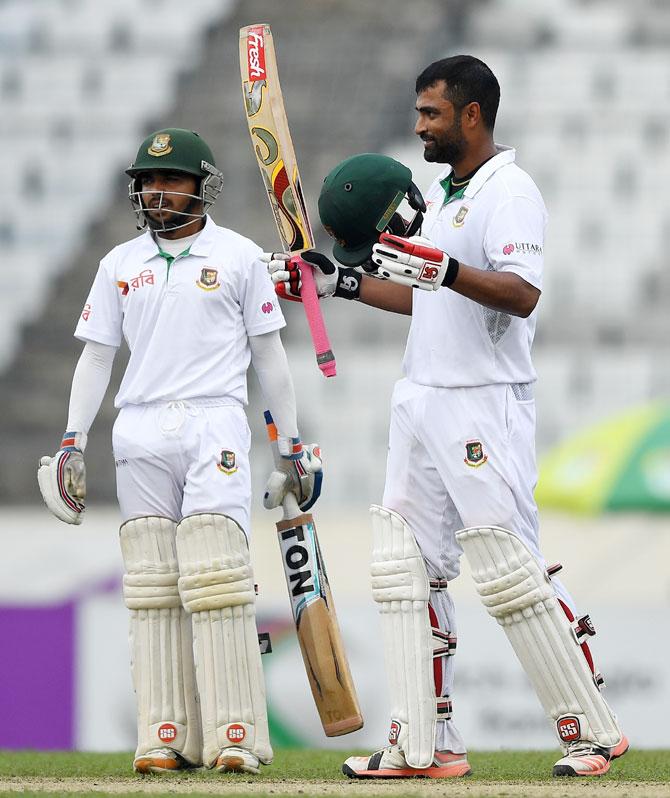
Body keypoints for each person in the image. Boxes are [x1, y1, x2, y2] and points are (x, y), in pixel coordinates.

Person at [266, 56, 629, 779]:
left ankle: (593, 732)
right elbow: (423, 294)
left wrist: (447, 271)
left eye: (431, 113)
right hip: (420, 396)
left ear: (471, 114)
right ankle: (423, 744)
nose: (419, 125)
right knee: (405, 571)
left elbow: (521, 294)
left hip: (482, 399)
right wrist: (342, 282)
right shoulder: (438, 191)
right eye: (418, 113)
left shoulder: (510, 191)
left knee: (508, 567)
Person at [37, 128, 321, 776]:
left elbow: (269, 359)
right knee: (152, 585)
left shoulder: (242, 257)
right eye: (148, 181)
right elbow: (97, 357)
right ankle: (165, 735)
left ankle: (236, 735)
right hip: (138, 429)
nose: (157, 192)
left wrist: (289, 445)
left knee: (217, 575)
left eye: (170, 180)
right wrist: (71, 442)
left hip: (214, 424)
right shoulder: (119, 264)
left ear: (201, 186)